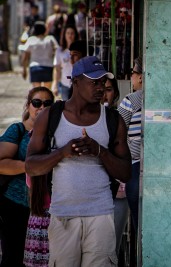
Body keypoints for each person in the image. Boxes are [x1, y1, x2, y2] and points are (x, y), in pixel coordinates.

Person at [25, 56, 132, 266]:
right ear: (75, 82)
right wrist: (62, 153)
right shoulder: (50, 116)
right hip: (63, 214)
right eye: (94, 82)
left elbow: (126, 173)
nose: (100, 87)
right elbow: (31, 166)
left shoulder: (112, 119)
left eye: (103, 82)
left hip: (101, 214)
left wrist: (100, 151)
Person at [0, 86, 54, 267]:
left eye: (47, 104)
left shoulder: (56, 133)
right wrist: (33, 167)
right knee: (13, 257)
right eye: (37, 103)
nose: (41, 107)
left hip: (48, 210)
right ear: (28, 105)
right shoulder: (18, 130)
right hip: (15, 205)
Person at [117, 56, 143, 264]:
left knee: (139, 224)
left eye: (133, 73)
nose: (131, 77)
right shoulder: (167, 99)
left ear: (141, 77)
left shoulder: (131, 101)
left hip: (135, 168)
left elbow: (118, 134)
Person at [101, 77, 129, 259]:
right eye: (98, 87)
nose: (103, 93)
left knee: (110, 250)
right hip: (89, 197)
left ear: (116, 94)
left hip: (118, 194)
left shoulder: (117, 121)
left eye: (108, 89)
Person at [21, 21, 59, 89]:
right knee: (47, 91)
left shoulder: (31, 40)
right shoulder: (50, 39)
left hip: (34, 67)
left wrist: (24, 70)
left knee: (36, 91)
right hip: (48, 67)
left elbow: (25, 56)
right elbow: (57, 50)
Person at [52, 24, 79, 100]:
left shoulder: (80, 50)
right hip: (64, 83)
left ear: (75, 35)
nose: (70, 35)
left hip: (77, 84)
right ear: (64, 35)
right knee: (66, 106)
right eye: (68, 33)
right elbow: (57, 69)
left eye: (72, 33)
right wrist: (55, 85)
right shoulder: (60, 50)